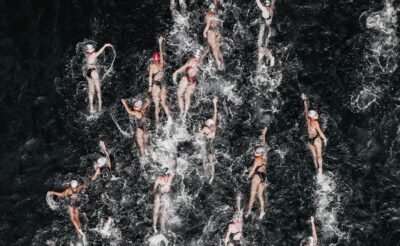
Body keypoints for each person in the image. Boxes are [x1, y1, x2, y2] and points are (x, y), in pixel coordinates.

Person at [173, 48, 209, 122]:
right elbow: (204, 54)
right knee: (187, 96)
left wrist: (175, 73)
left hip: (186, 78)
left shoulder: (191, 60)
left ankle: (182, 111)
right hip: (193, 81)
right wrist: (208, 48)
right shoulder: (200, 61)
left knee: (179, 95)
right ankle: (185, 114)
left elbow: (182, 68)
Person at [301, 93, 327, 175]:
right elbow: (319, 132)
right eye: (315, 115)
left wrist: (304, 100)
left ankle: (316, 170)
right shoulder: (315, 122)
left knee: (314, 157)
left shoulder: (307, 119)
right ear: (312, 117)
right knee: (319, 155)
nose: (317, 115)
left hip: (309, 141)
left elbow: (306, 109)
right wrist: (325, 139)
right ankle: (321, 170)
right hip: (316, 140)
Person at [148, 36, 173, 124]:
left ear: (152, 59)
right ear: (158, 59)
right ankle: (169, 118)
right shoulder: (161, 64)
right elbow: (161, 53)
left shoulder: (151, 66)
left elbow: (150, 76)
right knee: (163, 102)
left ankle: (157, 122)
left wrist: (150, 87)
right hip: (162, 84)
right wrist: (160, 43)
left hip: (155, 85)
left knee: (157, 105)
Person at [84, 43, 113, 114]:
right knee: (98, 89)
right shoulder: (93, 54)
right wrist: (105, 45)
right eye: (92, 48)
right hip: (93, 72)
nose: (93, 48)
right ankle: (100, 106)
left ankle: (91, 108)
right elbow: (100, 52)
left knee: (91, 90)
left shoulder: (86, 55)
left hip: (88, 73)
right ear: (90, 50)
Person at [245, 127, 267, 220]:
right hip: (263, 177)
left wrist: (247, 177)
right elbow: (264, 145)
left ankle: (249, 211)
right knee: (260, 195)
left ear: (258, 153)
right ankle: (262, 211)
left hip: (257, 177)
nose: (254, 152)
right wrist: (263, 135)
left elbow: (253, 170)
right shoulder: (264, 156)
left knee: (252, 195)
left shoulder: (256, 159)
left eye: (255, 152)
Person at [199, 97, 219, 184]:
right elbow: (215, 113)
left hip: (208, 143)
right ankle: (209, 175)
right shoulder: (210, 127)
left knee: (208, 159)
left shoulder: (207, 127)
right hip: (209, 143)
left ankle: (208, 175)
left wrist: (214, 103)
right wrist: (214, 103)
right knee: (209, 159)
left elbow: (197, 135)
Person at [153, 167, 175, 233]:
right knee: (156, 212)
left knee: (163, 212)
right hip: (158, 196)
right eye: (165, 175)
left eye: (167, 174)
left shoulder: (170, 177)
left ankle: (162, 228)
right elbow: (154, 189)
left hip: (165, 196)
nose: (166, 176)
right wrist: (159, 190)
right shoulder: (159, 178)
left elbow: (174, 172)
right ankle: (154, 227)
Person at [203, 3, 224, 70]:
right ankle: (222, 63)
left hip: (211, 31)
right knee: (217, 47)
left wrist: (204, 32)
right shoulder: (216, 14)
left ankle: (217, 61)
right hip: (218, 31)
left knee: (213, 47)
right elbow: (219, 23)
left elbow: (208, 25)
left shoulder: (208, 15)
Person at [255, 0, 276, 68]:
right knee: (262, 47)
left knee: (262, 48)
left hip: (264, 30)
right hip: (267, 28)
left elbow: (259, 4)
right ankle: (262, 61)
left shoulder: (266, 11)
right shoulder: (271, 7)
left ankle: (270, 58)